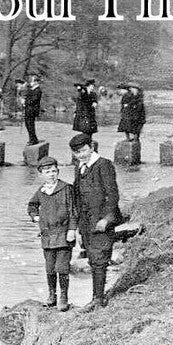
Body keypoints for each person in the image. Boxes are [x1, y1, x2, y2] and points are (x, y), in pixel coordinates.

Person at [69, 132, 121, 311]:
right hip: (86, 221)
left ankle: (99, 300)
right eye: (77, 152)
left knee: (100, 259)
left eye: (84, 150)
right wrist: (76, 226)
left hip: (101, 221)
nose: (81, 155)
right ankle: (94, 298)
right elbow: (77, 196)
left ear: (91, 147)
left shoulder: (103, 165)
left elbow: (113, 194)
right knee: (92, 258)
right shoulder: (80, 167)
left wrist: (106, 219)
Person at [26, 157, 78, 312]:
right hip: (47, 236)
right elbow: (31, 205)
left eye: (54, 171)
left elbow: (73, 211)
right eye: (47, 172)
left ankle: (63, 296)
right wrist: (35, 217)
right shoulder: (41, 191)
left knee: (62, 267)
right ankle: (52, 295)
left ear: (58, 172)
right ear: (41, 174)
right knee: (49, 267)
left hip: (63, 234)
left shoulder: (66, 188)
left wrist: (72, 230)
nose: (51, 174)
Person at [23, 74, 43, 146]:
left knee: (30, 125)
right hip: (29, 109)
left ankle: (33, 140)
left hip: (32, 110)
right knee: (28, 124)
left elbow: (34, 100)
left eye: (32, 81)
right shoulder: (32, 89)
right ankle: (32, 139)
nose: (31, 82)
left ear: (36, 82)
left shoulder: (38, 90)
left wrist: (25, 101)